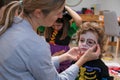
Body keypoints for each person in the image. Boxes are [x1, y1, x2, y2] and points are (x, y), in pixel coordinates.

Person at [0, 0, 100, 80]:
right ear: (38, 13)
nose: (61, 16)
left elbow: (33, 63)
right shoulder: (36, 45)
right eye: (58, 12)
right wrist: (82, 61)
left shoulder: (8, 27)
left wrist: (63, 57)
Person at [38, 6, 82, 73]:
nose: (55, 27)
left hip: (63, 60)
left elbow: (79, 21)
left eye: (58, 25)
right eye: (53, 25)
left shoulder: (68, 31)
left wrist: (66, 8)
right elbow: (38, 20)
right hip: (48, 58)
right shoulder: (46, 28)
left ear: (64, 24)